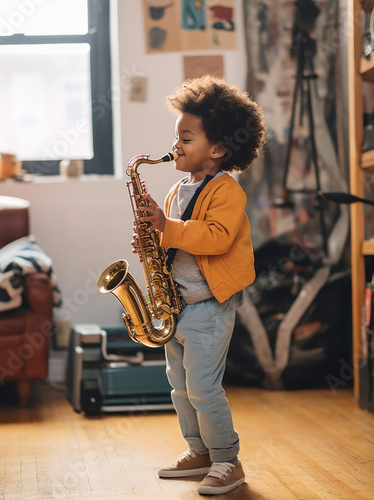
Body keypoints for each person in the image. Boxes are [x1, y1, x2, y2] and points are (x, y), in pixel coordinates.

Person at [132, 75, 266, 496]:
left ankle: (228, 459)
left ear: (218, 149)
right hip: (179, 304)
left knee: (204, 387)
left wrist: (167, 227)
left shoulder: (226, 190)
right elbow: (174, 240)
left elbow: (215, 237)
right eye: (177, 136)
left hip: (209, 304)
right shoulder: (176, 189)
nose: (176, 146)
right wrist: (151, 239)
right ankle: (200, 451)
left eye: (186, 138)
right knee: (180, 386)